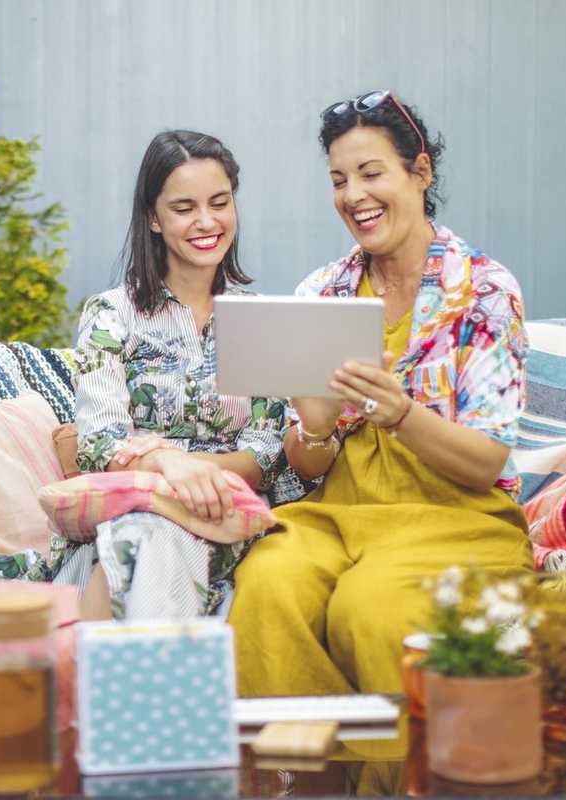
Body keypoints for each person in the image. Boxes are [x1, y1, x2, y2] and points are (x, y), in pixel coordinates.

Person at [229, 91, 534, 696]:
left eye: (371, 173)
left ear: (420, 172)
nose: (353, 196)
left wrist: (399, 415)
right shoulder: (321, 293)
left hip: (456, 519)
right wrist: (315, 427)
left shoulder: (483, 291)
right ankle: (303, 780)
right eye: (339, 179)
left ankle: (393, 782)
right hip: (339, 517)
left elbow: (486, 462)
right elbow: (307, 463)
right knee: (268, 583)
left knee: (369, 610)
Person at [72, 129, 294, 620]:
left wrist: (193, 475)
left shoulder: (260, 319)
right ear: (153, 217)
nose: (207, 222)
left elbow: (267, 452)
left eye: (220, 202)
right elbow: (100, 446)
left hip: (235, 516)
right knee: (145, 539)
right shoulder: (111, 315)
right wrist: (172, 470)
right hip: (143, 511)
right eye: (184, 208)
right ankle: (152, 689)